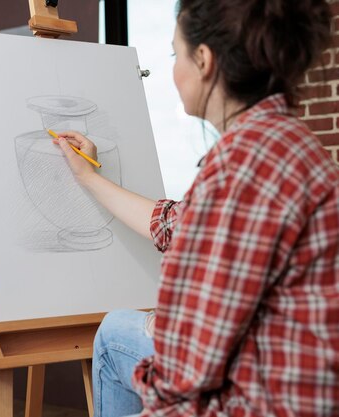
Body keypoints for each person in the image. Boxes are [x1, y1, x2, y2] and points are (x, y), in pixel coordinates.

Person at [54, 1, 338, 416]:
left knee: (119, 339)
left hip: (259, 400)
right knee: (118, 327)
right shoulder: (294, 145)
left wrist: (165, 325)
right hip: (302, 386)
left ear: (203, 61)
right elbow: (174, 223)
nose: (173, 70)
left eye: (175, 54)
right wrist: (88, 177)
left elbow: (184, 371)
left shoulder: (238, 168)